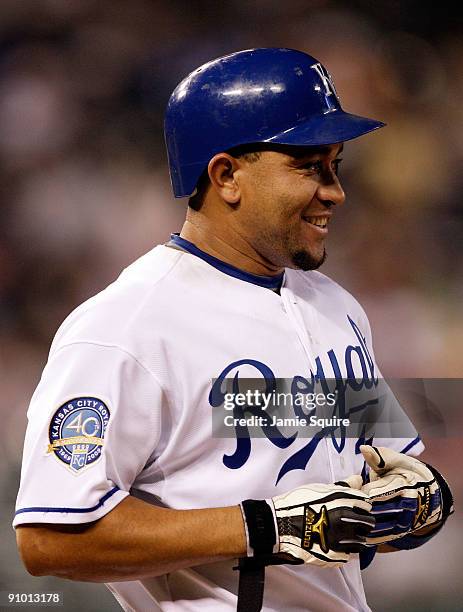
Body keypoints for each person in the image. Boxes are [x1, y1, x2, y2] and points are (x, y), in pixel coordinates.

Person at [14, 48, 453, 612]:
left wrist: (414, 505)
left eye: (335, 166)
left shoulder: (337, 307)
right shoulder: (126, 325)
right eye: (308, 165)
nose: (334, 191)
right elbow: (49, 539)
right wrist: (262, 527)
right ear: (226, 176)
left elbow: (374, 484)